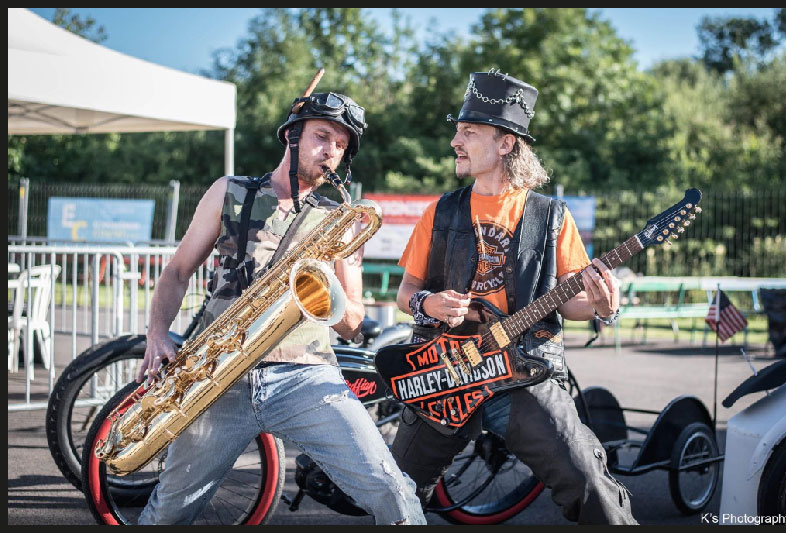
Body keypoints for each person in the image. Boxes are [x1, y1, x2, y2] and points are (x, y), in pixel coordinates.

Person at [134, 90, 425, 525]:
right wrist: (157, 334)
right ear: (291, 136)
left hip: (306, 375)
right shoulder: (229, 192)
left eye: (341, 145)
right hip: (220, 378)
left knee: (392, 491)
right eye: (322, 137)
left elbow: (353, 323)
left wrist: (328, 291)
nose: (331, 151)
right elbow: (176, 272)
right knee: (167, 514)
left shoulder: (341, 221)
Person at [390, 69, 637, 524]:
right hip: (444, 374)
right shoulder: (440, 212)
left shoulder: (551, 217)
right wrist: (428, 304)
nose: (455, 142)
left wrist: (603, 306)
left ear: (506, 143)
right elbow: (405, 293)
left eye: (469, 132)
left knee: (590, 484)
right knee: (393, 493)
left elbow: (571, 303)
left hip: (522, 377)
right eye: (458, 131)